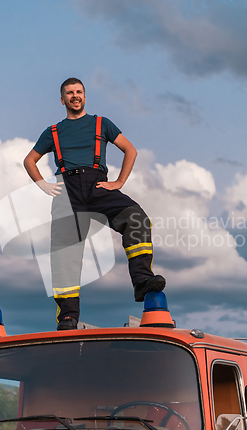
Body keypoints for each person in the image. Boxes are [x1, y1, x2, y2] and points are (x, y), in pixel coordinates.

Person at [24, 78, 165, 330]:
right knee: (63, 254)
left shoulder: (102, 123)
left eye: (79, 92)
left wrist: (119, 182)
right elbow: (30, 160)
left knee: (136, 218)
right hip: (66, 190)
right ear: (62, 99)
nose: (75, 96)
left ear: (85, 97)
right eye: (69, 93)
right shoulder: (53, 132)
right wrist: (43, 185)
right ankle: (67, 317)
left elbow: (130, 150)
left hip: (97, 185)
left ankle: (143, 280)